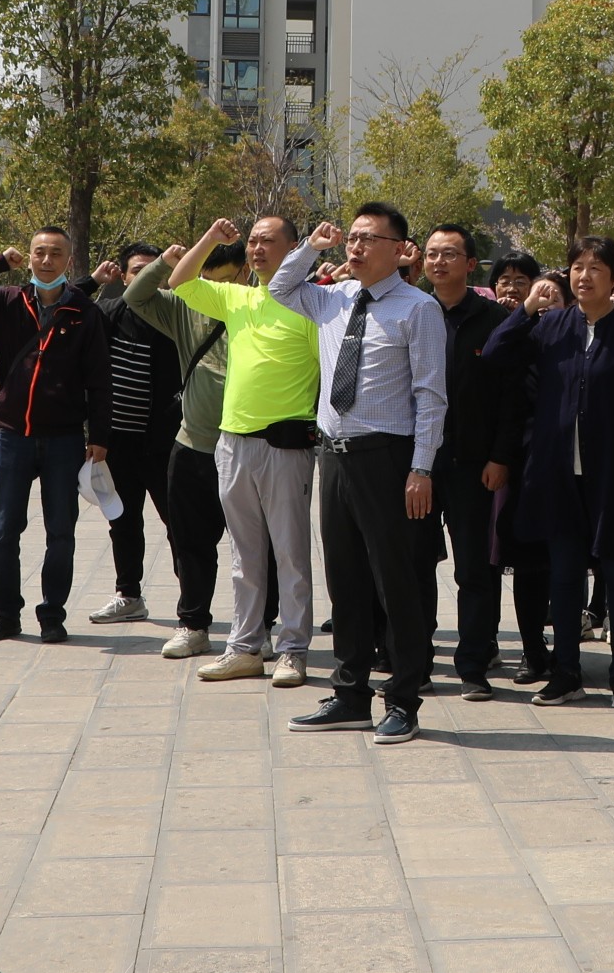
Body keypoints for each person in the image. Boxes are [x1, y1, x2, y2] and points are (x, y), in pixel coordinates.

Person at [271, 206, 452, 744]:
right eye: (351, 237)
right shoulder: (332, 297)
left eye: (368, 239)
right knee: (345, 578)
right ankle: (350, 693)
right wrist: (311, 247)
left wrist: (422, 467)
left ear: (400, 249)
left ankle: (402, 698)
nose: (355, 247)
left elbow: (430, 395)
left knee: (395, 581)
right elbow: (279, 287)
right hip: (336, 456)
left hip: (388, 459)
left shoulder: (418, 309)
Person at [485, 237, 614, 706]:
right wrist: (526, 308)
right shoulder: (552, 326)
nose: (583, 276)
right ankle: (566, 671)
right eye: (576, 267)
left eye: (595, 268)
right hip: (558, 477)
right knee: (564, 576)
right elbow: (495, 353)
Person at [170, 215, 325, 687]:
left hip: (285, 446)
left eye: (269, 242)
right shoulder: (238, 297)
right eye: (253, 241)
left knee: (291, 554)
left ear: (294, 247)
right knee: (245, 554)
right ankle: (244, 646)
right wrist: (212, 239)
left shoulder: (313, 304)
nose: (257, 249)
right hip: (233, 443)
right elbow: (180, 281)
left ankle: (293, 648)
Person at [0, 229, 115, 644]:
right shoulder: (7, 302)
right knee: (4, 530)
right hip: (13, 438)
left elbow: (100, 380)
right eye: (40, 252)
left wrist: (101, 436)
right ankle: (4, 615)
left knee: (61, 530)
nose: (46, 260)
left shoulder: (84, 312)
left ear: (68, 262)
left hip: (64, 440)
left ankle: (52, 615)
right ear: (31, 258)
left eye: (56, 253)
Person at [422, 222, 541, 701]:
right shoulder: (413, 311)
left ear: (471, 264)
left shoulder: (494, 321)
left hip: (476, 466)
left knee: (475, 569)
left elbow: (512, 399)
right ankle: (414, 658)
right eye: (431, 253)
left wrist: (500, 457)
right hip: (419, 465)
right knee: (414, 564)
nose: (438, 262)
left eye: (450, 254)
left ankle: (474, 662)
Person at [123, 237, 243, 657]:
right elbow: (135, 295)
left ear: (243, 276)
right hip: (193, 444)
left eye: (226, 282)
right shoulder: (182, 307)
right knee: (190, 542)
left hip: (249, 447)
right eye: (206, 282)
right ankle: (193, 624)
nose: (214, 293)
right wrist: (165, 262)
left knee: (256, 547)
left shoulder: (255, 306)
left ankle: (259, 628)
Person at [83, 243, 181, 626]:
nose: (143, 277)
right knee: (122, 522)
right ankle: (129, 596)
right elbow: (64, 309)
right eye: (136, 270)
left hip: (166, 443)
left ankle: (192, 598)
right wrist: (91, 282)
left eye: (151, 270)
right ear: (123, 276)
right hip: (116, 443)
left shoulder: (174, 315)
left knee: (179, 524)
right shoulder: (107, 314)